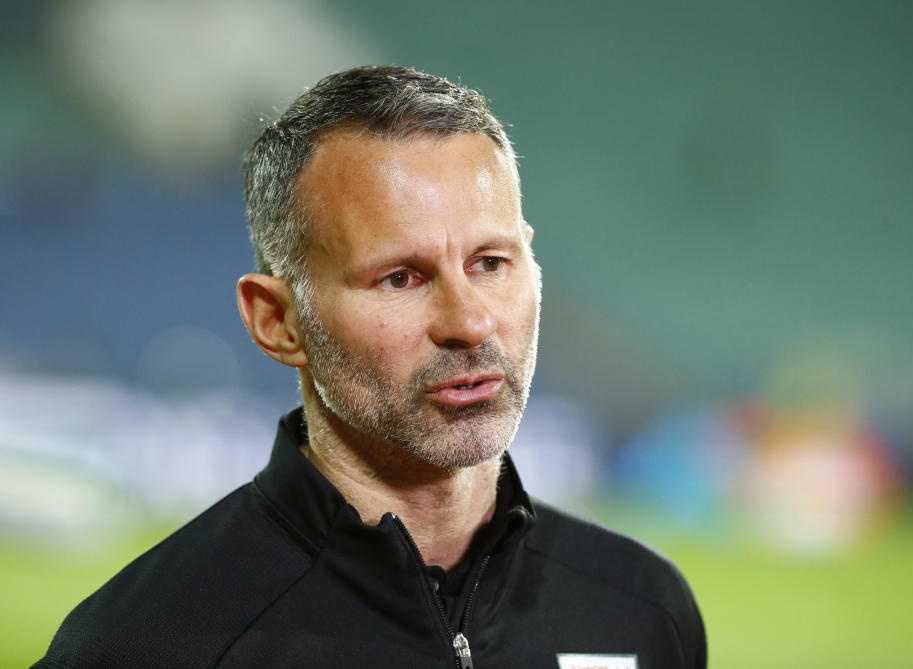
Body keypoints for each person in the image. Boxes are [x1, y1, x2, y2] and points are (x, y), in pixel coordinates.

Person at [36, 66, 706, 669]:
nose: (469, 322)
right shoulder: (145, 644)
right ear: (278, 319)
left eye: (490, 264)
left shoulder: (644, 609)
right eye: (400, 278)